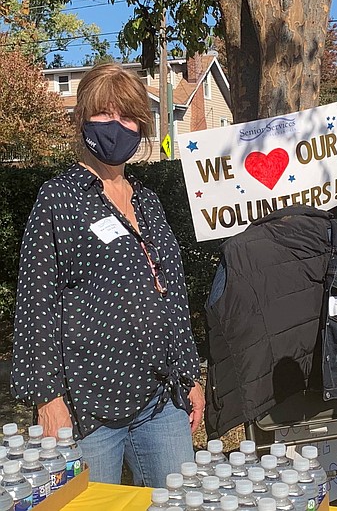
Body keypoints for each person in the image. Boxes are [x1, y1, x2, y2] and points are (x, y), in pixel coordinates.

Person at [10, 62, 204, 487]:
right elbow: (36, 303)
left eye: (129, 116)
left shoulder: (149, 201)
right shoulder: (58, 199)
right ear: (82, 119)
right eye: (105, 113)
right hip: (88, 406)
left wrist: (189, 375)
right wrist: (48, 397)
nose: (118, 125)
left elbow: (172, 293)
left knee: (178, 502)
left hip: (161, 398)